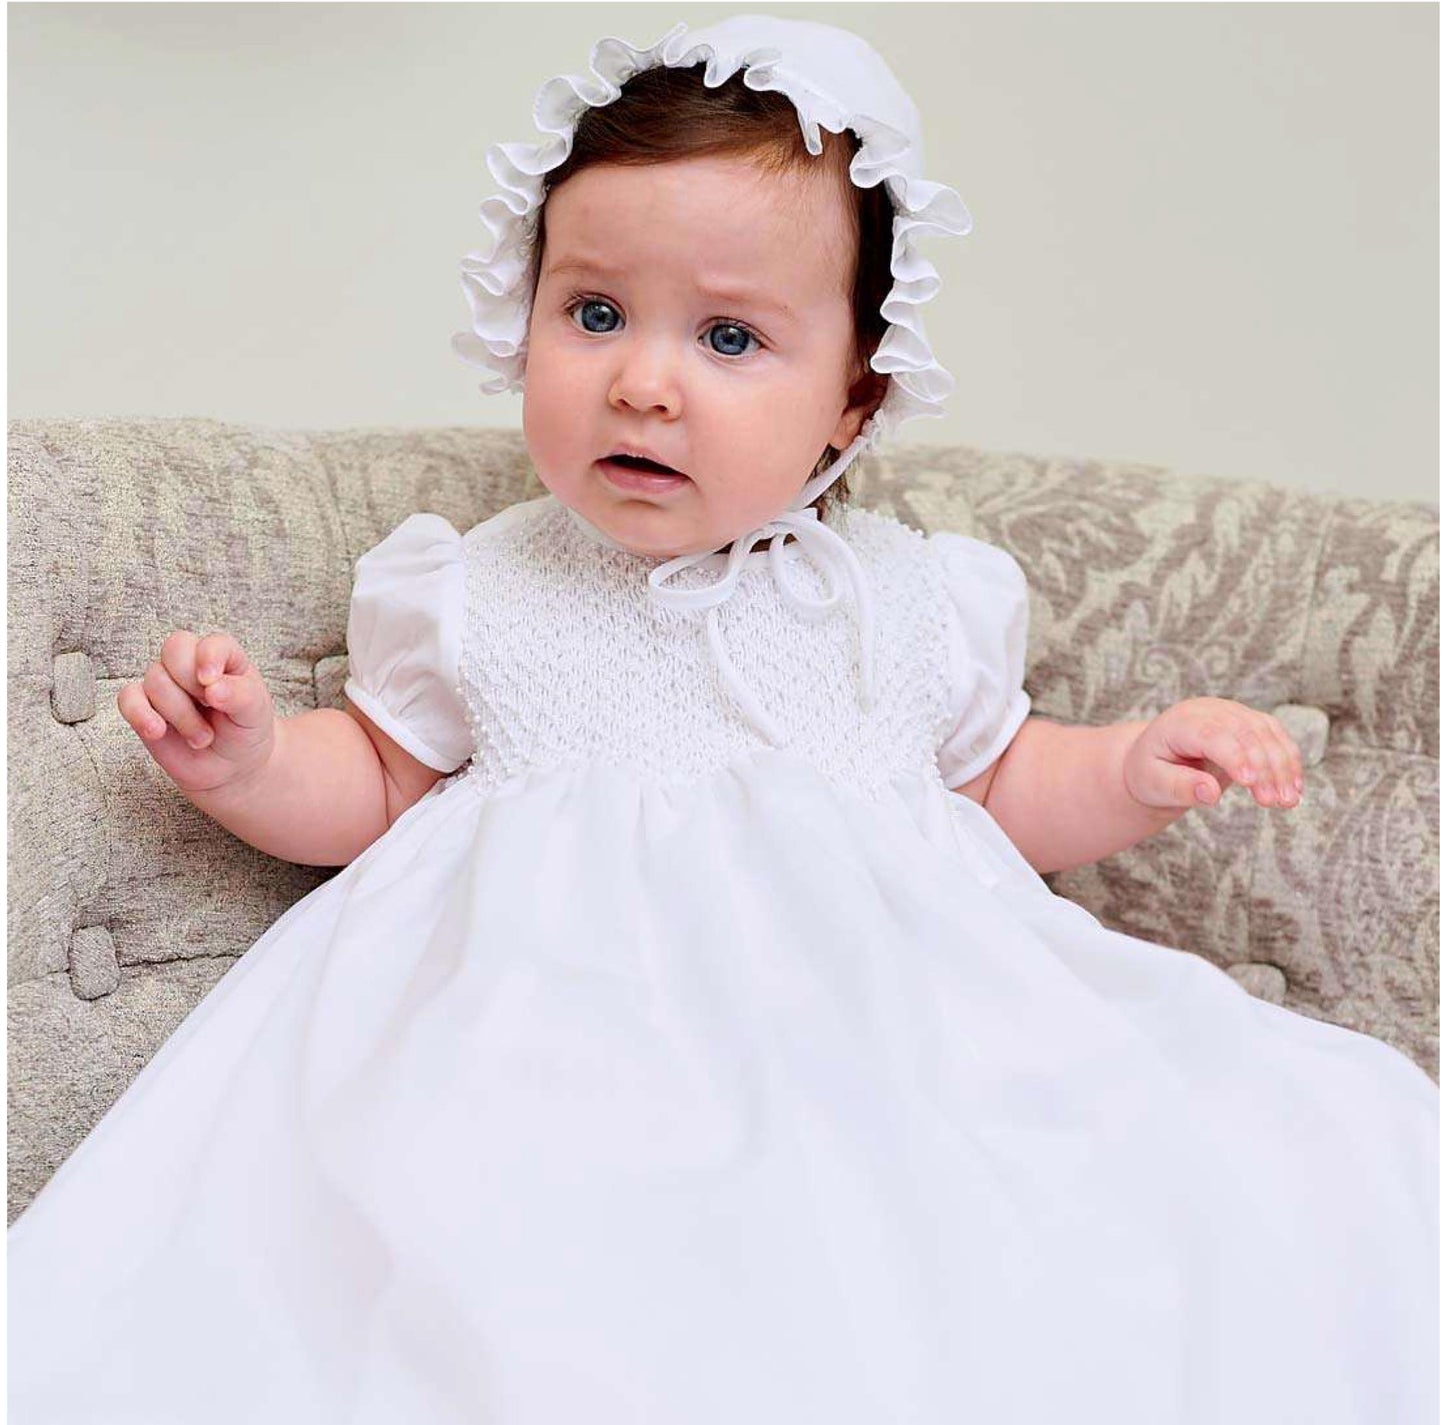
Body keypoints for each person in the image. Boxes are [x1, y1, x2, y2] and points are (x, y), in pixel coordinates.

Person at [9, 15, 1436, 1423]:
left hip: (873, 1041)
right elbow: (379, 781)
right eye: (594, 313)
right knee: (498, 1263)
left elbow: (1004, 780)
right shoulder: (481, 582)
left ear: (851, 401)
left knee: (1070, 1205)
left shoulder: (908, 597)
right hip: (547, 1045)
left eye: (731, 336)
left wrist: (1132, 766)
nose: (642, 378)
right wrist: (253, 759)